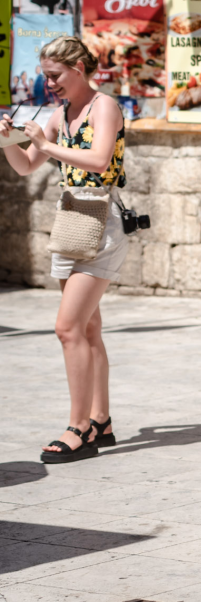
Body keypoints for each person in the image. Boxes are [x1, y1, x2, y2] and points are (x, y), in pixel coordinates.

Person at [0, 36, 128, 464]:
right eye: (45, 75)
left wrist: (44, 141)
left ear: (77, 68)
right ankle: (102, 420)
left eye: (54, 75)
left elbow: (97, 158)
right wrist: (10, 142)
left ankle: (78, 429)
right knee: (88, 328)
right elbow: (27, 166)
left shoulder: (103, 107)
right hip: (70, 219)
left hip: (101, 221)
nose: (49, 83)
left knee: (67, 328)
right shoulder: (59, 114)